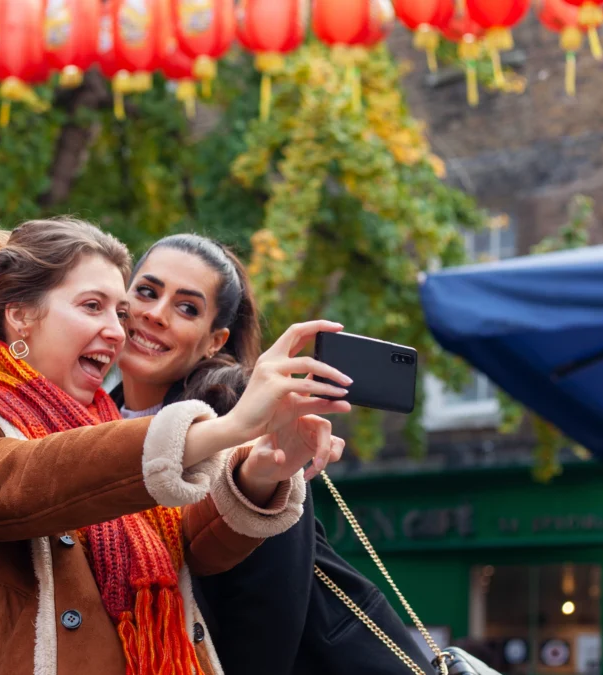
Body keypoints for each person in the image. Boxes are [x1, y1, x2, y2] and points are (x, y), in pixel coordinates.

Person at [0, 218, 356, 675]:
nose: (121, 331)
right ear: (19, 315)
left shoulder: (107, 424)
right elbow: (32, 476)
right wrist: (231, 428)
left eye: (117, 312)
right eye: (93, 306)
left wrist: (260, 470)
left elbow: (194, 549)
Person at [112, 233, 434, 675]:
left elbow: (271, 597)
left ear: (214, 340)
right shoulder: (92, 418)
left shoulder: (239, 409)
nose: (156, 314)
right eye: (146, 291)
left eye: (187, 307)